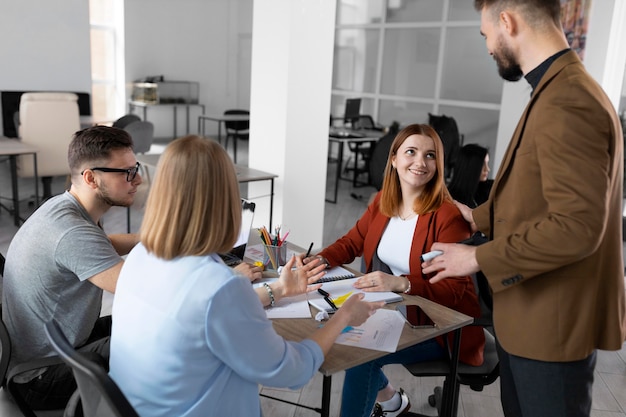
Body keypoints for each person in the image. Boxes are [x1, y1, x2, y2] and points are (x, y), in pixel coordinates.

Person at [423, 1, 626, 416]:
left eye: (484, 35)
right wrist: (475, 216)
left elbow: (576, 227)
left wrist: (477, 257)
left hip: (552, 329)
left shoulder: (568, 100)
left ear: (507, 21)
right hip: (531, 319)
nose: (486, 47)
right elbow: (536, 189)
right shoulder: (556, 88)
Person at [108, 135, 384, 417]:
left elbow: (198, 312)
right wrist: (343, 317)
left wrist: (279, 289)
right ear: (226, 200)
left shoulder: (141, 256)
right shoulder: (219, 287)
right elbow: (292, 371)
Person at [305, 124, 485, 417]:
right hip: (396, 311)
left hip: (439, 326)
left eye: (430, 155)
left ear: (439, 164)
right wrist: (320, 260)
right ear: (393, 158)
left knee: (360, 355)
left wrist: (402, 284)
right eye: (411, 152)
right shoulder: (383, 201)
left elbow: (455, 293)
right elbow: (353, 241)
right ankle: (391, 402)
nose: (420, 162)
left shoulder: (447, 216)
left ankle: (388, 403)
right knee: (332, 329)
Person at [2, 125, 142, 410]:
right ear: (91, 178)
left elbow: (103, 244)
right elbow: (143, 290)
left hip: (58, 344)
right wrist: (227, 280)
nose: (137, 179)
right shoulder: (71, 232)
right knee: (162, 335)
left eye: (135, 168)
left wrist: (155, 240)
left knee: (144, 321)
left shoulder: (66, 208)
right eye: (126, 172)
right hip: (41, 376)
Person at [447, 143, 492, 208]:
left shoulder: (489, 189)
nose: (488, 169)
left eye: (487, 163)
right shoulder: (451, 199)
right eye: (483, 164)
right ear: (470, 167)